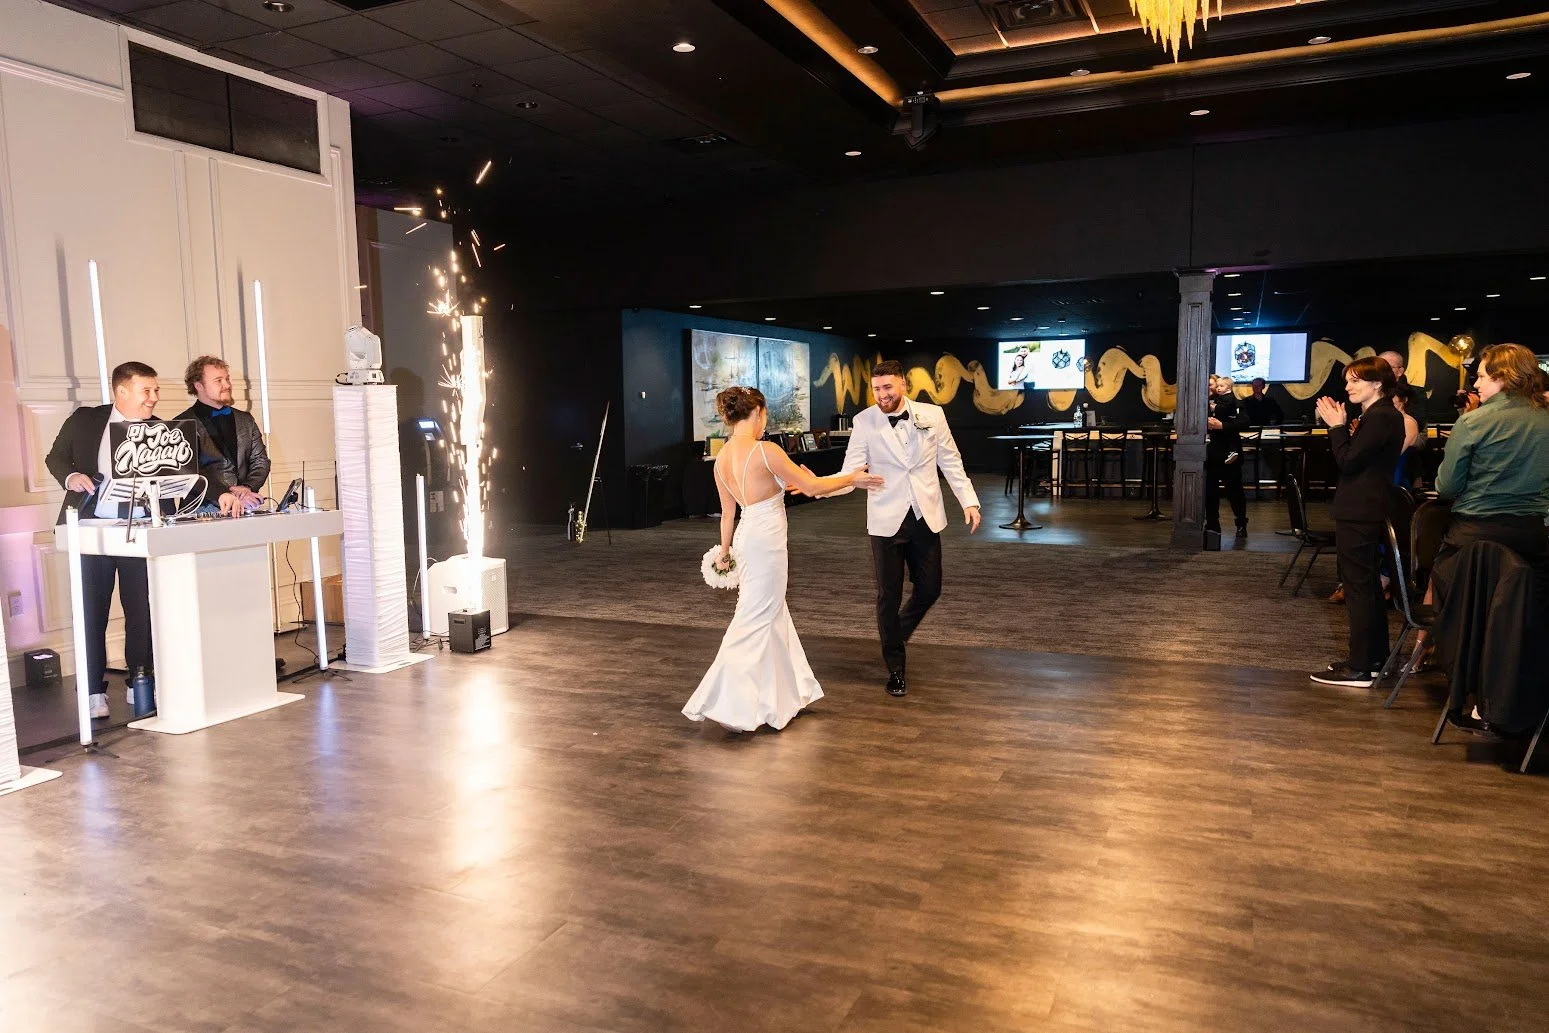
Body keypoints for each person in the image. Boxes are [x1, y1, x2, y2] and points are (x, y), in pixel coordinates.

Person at [45, 362, 239, 719]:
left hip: (145, 531)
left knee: (142, 609)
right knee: (91, 612)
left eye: (156, 391)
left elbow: (199, 468)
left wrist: (222, 492)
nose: (154, 399)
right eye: (146, 391)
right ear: (122, 392)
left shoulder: (165, 431)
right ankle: (92, 691)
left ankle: (140, 679)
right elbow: (55, 457)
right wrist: (71, 475)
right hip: (94, 532)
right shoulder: (86, 420)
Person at [683, 387, 883, 732]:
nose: (766, 422)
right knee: (757, 617)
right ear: (756, 412)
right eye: (765, 415)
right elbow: (813, 488)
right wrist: (854, 478)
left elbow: (727, 515)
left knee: (772, 613)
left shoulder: (723, 457)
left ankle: (788, 695)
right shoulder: (765, 450)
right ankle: (726, 702)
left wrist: (726, 552)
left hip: (747, 538)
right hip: (766, 543)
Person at [829, 360, 981, 698]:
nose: (882, 395)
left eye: (888, 387)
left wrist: (968, 501)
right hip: (885, 517)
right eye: (877, 389)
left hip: (925, 515)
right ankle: (895, 667)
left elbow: (951, 461)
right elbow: (850, 471)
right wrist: (819, 485)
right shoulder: (864, 421)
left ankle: (895, 633)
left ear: (903, 386)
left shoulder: (933, 415)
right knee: (889, 594)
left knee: (930, 589)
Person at [1309, 356, 1405, 688]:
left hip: (1360, 510)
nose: (1348, 387)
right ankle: (1373, 661)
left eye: (1355, 381)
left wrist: (1336, 427)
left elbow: (1348, 462)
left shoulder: (1381, 417)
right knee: (1366, 589)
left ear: (1377, 383)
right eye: (1348, 381)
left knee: (1359, 589)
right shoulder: (1380, 416)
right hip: (1365, 508)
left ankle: (1362, 667)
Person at [176, 356, 269, 511]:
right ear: (199, 385)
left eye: (227, 379)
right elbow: (191, 471)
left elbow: (261, 461)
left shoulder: (245, 419)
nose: (227, 385)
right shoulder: (181, 424)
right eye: (218, 380)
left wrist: (247, 488)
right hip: (200, 513)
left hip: (245, 508)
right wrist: (224, 494)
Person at [1206, 375, 1249, 538]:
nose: (1211, 388)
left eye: (1213, 384)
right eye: (1209, 385)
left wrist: (1222, 425)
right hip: (1210, 453)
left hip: (1230, 453)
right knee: (1210, 491)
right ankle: (1212, 525)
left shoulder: (1231, 401)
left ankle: (1241, 523)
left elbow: (1245, 421)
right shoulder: (1203, 404)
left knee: (1235, 490)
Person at [1391, 381, 1422, 488]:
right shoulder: (1391, 420)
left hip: (1398, 474)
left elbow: (1396, 452)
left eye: (1393, 400)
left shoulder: (1407, 421)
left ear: (1404, 400)